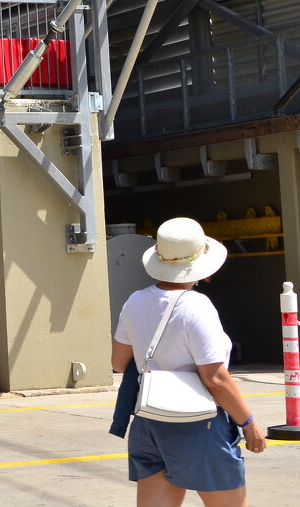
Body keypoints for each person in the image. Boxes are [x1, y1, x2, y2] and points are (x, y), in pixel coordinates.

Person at [111, 216, 267, 506]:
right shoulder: (196, 306)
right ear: (201, 266)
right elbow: (216, 378)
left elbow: (119, 363)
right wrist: (248, 422)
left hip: (149, 421)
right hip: (199, 424)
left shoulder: (135, 301)